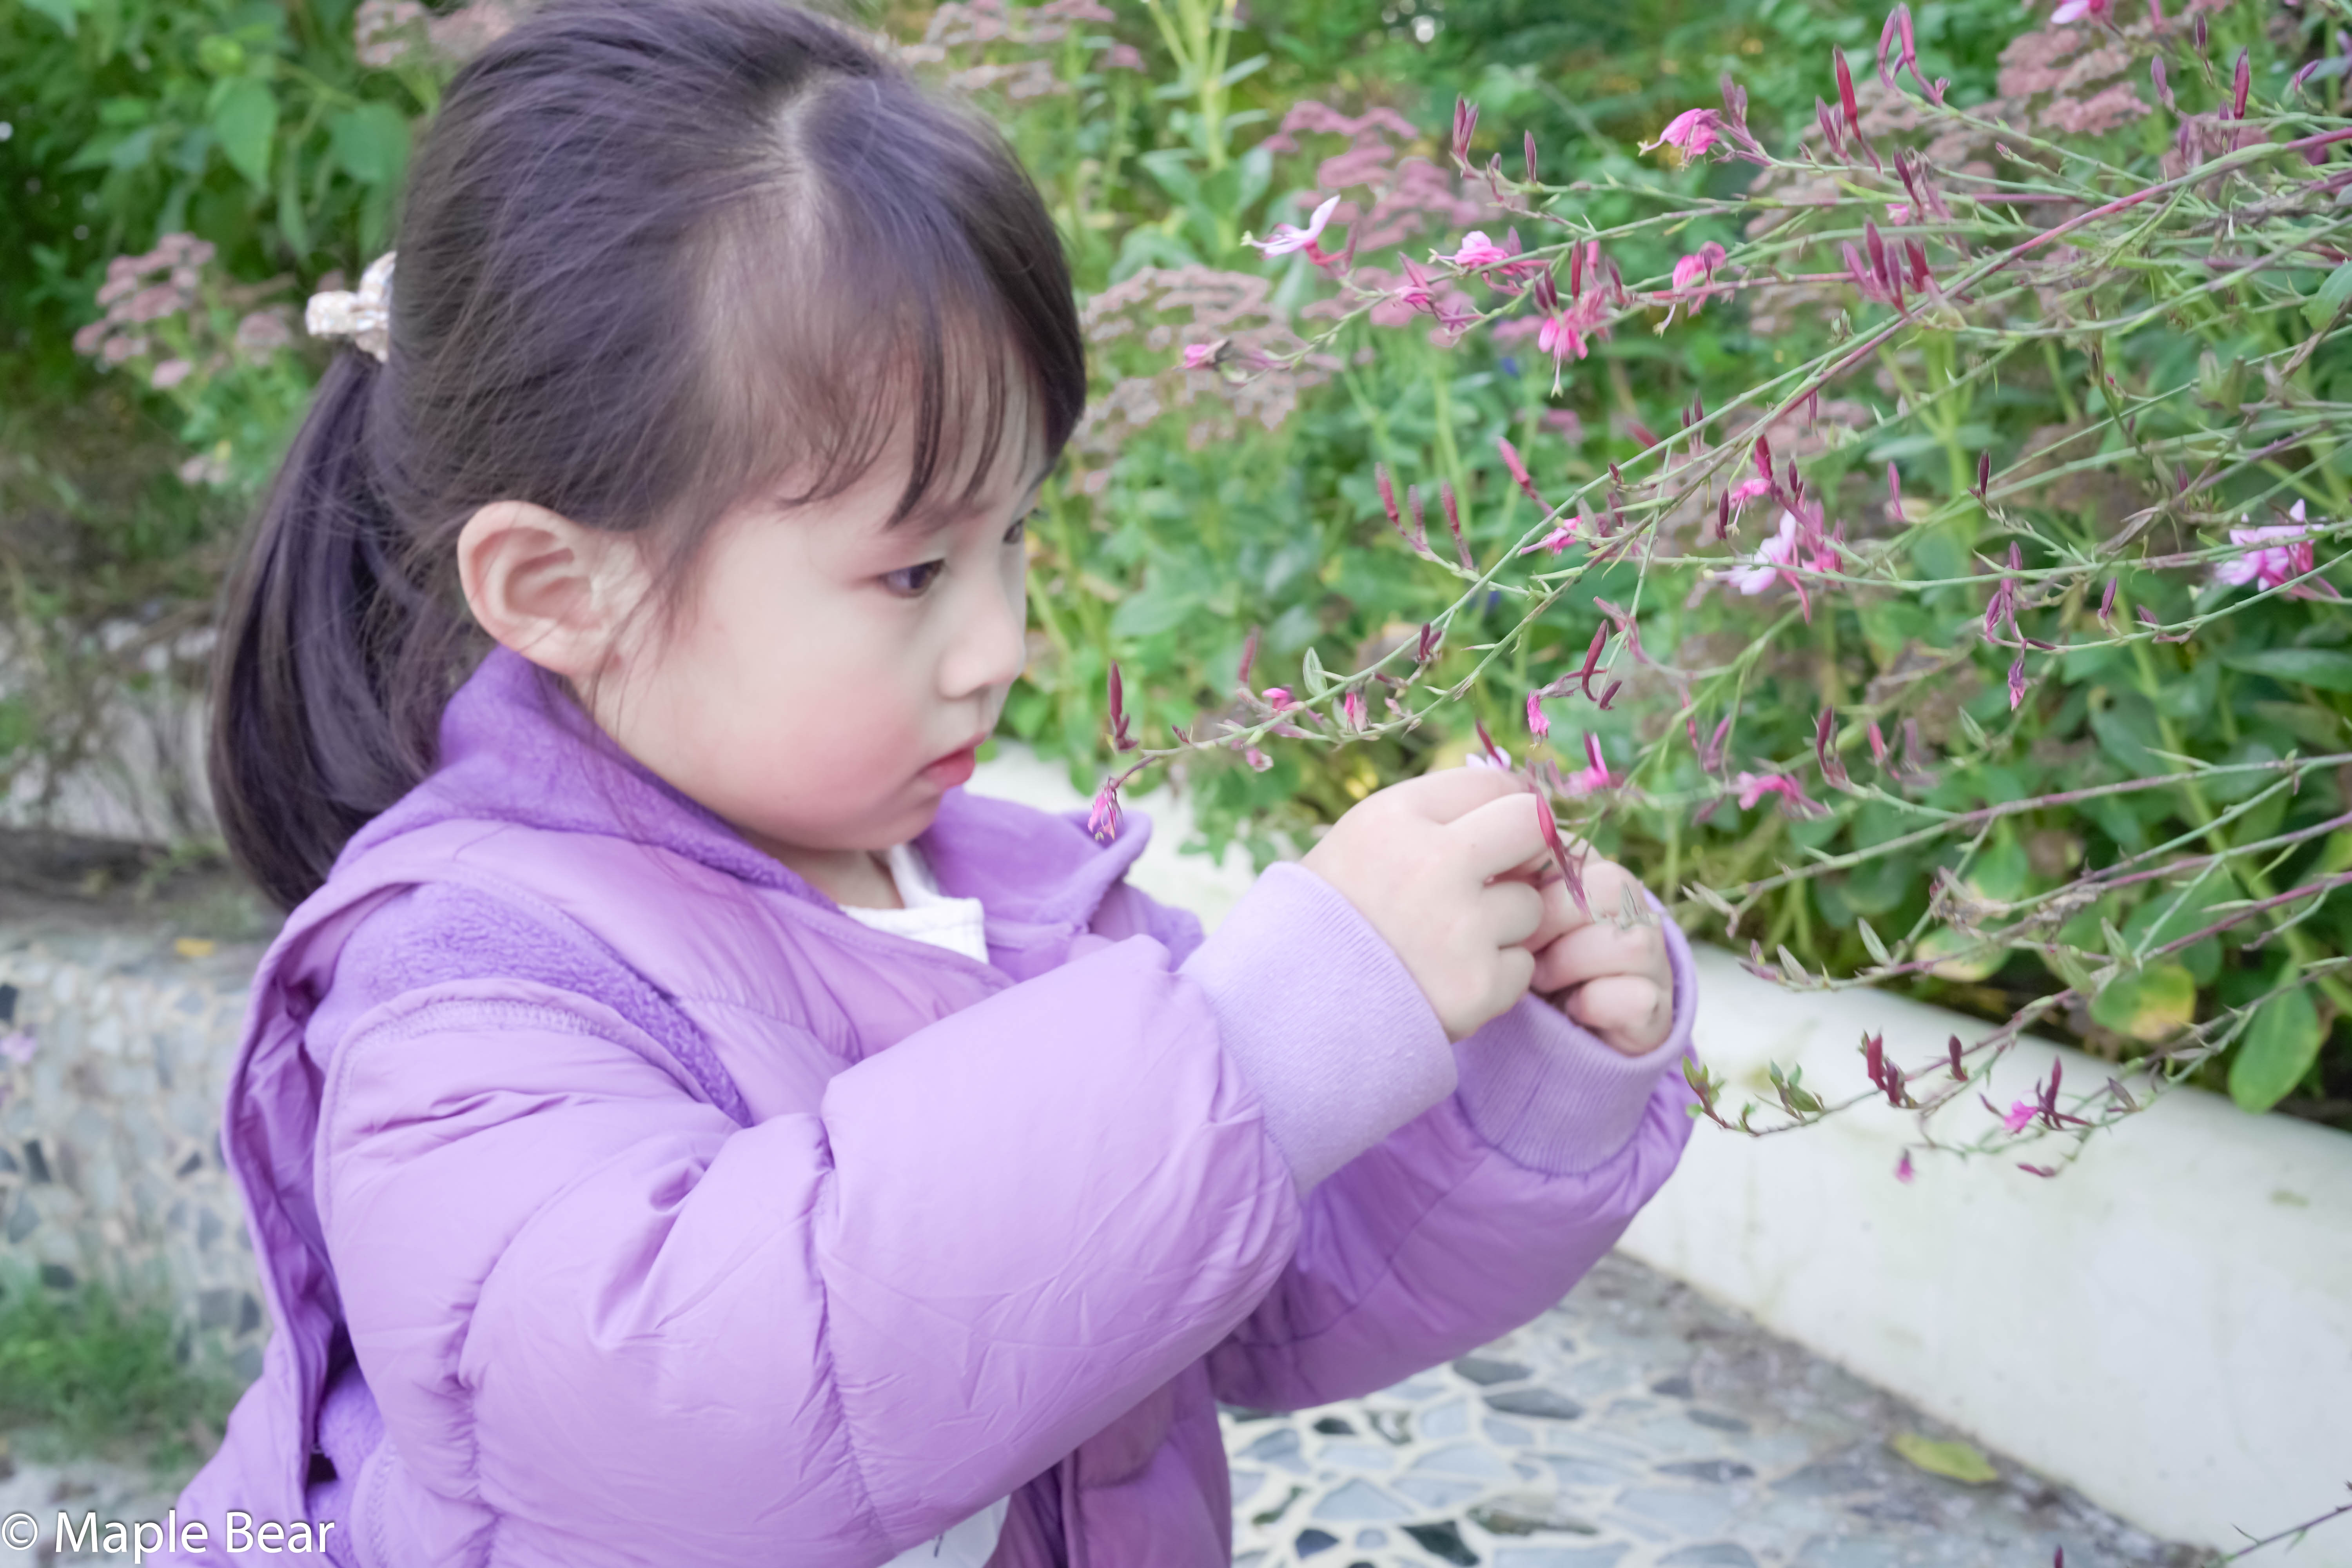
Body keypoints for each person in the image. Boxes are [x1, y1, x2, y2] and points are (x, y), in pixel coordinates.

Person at [164, 1, 1704, 1563]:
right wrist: (1250, 1049)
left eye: (1016, 535)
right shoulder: (468, 983)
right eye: (912, 572)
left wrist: (1526, 1064)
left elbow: (1267, 1276)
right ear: (563, 588)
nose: (999, 644)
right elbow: (680, 1418)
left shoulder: (1026, 900)